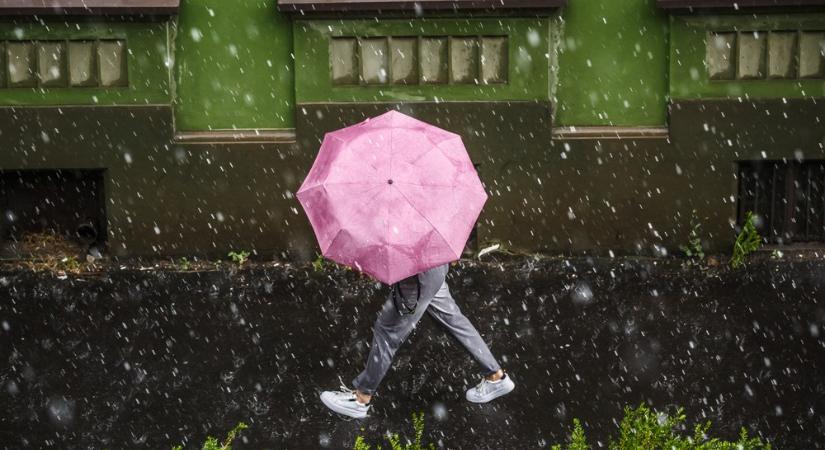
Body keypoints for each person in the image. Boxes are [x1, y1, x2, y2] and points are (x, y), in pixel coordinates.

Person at [320, 263, 514, 418]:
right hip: (434, 265)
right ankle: (496, 377)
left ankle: (361, 399)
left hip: (415, 275)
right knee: (454, 321)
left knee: (387, 332)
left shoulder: (396, 218)